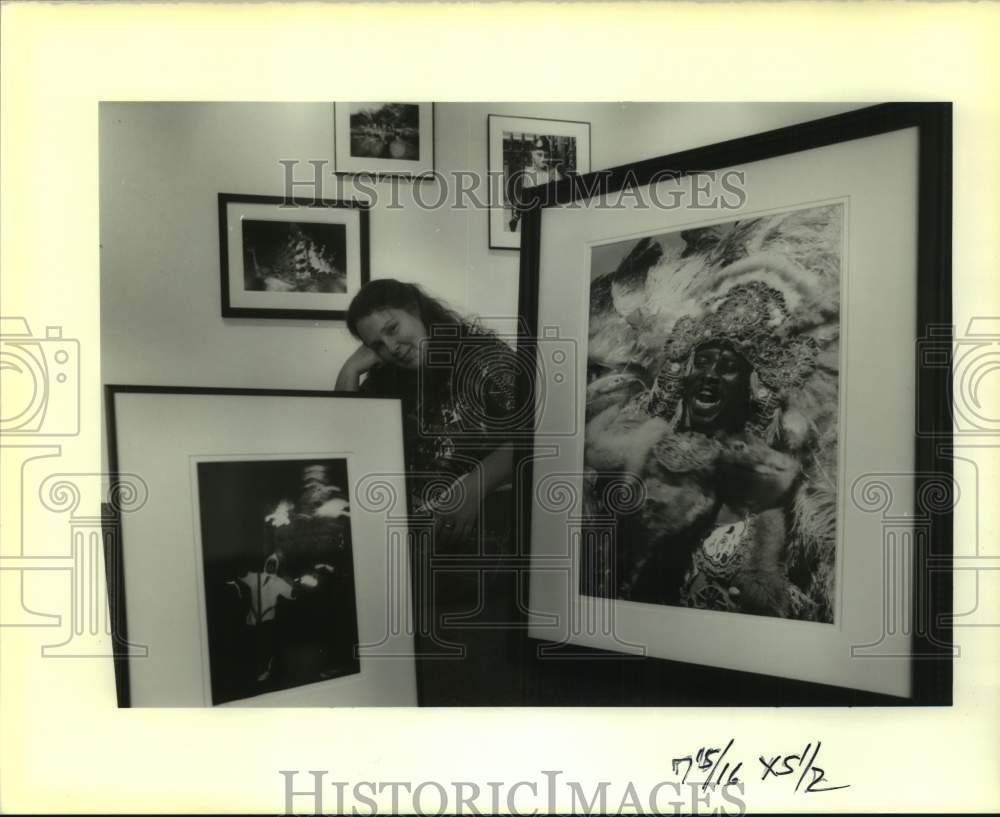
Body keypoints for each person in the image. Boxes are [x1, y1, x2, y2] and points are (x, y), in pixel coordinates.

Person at [336, 278, 520, 554]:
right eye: (377, 345)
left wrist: (473, 488)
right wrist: (349, 370)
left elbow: (539, 432)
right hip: (412, 547)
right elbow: (349, 443)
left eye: (393, 329)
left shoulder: (484, 357)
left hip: (485, 541)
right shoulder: (388, 376)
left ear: (416, 309)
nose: (392, 347)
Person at [507, 135, 565, 233]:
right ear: (532, 154)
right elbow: (523, 197)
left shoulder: (552, 172)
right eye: (539, 155)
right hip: (531, 217)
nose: (543, 159)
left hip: (548, 218)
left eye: (546, 155)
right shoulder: (528, 172)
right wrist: (516, 217)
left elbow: (563, 198)